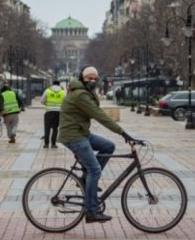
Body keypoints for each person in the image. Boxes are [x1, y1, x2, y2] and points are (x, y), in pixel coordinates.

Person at [58, 66, 136, 224]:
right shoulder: (80, 94)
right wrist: (122, 132)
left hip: (82, 133)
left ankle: (87, 179)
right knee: (95, 169)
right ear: (82, 78)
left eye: (95, 78)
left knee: (108, 146)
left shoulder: (84, 91)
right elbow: (99, 114)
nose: (92, 81)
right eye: (89, 78)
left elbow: (96, 106)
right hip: (73, 135)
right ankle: (91, 211)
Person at [40, 80, 66, 148]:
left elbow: (42, 101)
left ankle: (46, 144)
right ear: (59, 84)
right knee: (55, 128)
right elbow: (66, 102)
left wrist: (47, 104)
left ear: (52, 84)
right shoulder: (63, 92)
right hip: (58, 112)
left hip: (49, 112)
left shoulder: (47, 91)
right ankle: (53, 144)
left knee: (47, 128)